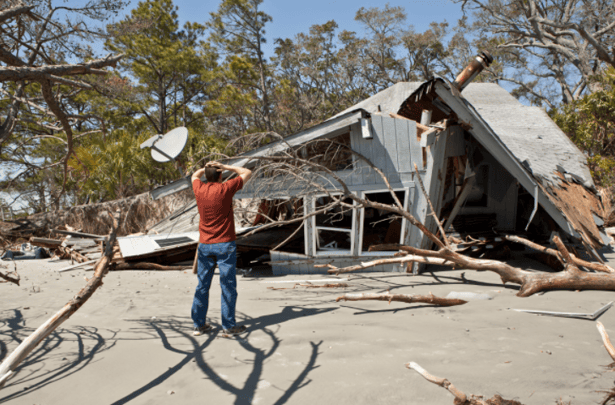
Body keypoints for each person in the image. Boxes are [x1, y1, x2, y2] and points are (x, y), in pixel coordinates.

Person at [190, 161, 252, 336]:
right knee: (228, 286)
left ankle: (198, 325)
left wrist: (206, 168)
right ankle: (228, 326)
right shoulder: (225, 188)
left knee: (202, 286)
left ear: (207, 176)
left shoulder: (199, 189)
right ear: (220, 176)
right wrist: (225, 166)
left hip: (205, 245)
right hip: (225, 244)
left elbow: (194, 176)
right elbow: (246, 172)